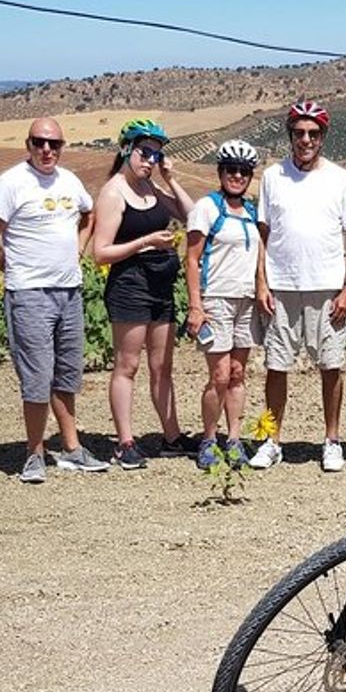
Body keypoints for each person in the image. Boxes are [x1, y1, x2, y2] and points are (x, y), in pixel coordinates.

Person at [0, 117, 109, 483]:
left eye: (54, 144)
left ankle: (71, 448)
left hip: (69, 292)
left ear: (62, 147)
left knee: (67, 374)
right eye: (39, 143)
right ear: (28, 144)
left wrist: (78, 250)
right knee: (37, 378)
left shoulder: (69, 181)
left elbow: (89, 212)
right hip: (29, 295)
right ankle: (34, 453)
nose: (47, 150)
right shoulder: (10, 183)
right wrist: (14, 268)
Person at [249, 101, 346, 472]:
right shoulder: (272, 177)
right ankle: (272, 440)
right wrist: (262, 283)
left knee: (331, 366)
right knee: (276, 366)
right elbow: (263, 235)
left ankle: (331, 440)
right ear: (290, 136)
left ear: (323, 137)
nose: (306, 140)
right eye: (299, 133)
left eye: (313, 134)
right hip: (282, 288)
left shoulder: (339, 179)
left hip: (328, 288)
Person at [91, 118, 197, 469]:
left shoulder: (151, 188)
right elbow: (101, 252)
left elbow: (192, 214)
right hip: (131, 285)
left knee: (162, 365)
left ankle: (172, 436)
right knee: (128, 365)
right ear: (126, 149)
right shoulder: (113, 192)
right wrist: (144, 243)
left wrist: (171, 178)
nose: (150, 160)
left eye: (156, 154)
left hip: (161, 286)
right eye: (144, 152)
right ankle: (125, 442)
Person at [184, 140, 261, 470]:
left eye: (244, 171)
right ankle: (208, 439)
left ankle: (234, 438)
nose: (238, 176)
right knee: (218, 375)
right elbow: (191, 259)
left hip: (246, 300)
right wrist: (195, 306)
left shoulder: (251, 212)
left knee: (238, 373)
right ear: (220, 172)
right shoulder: (207, 207)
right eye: (232, 169)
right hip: (216, 299)